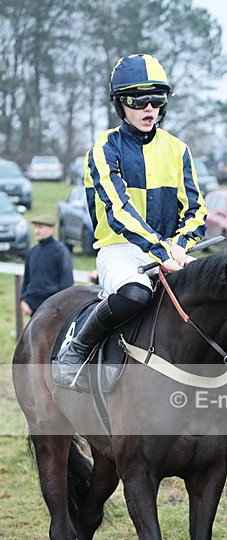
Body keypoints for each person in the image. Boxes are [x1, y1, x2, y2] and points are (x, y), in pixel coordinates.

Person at [54, 53, 207, 389]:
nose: (148, 108)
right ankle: (77, 350)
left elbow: (196, 211)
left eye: (156, 99)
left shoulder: (179, 149)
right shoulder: (104, 148)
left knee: (212, 296)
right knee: (137, 295)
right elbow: (119, 211)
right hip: (120, 249)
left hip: (168, 251)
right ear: (120, 104)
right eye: (138, 101)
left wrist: (180, 246)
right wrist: (159, 250)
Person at [20, 215, 74, 317]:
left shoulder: (60, 251)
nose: (36, 231)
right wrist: (23, 300)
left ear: (51, 229)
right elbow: (26, 279)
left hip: (52, 310)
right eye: (35, 227)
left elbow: (67, 282)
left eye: (40, 227)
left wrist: (56, 306)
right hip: (32, 308)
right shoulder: (32, 251)